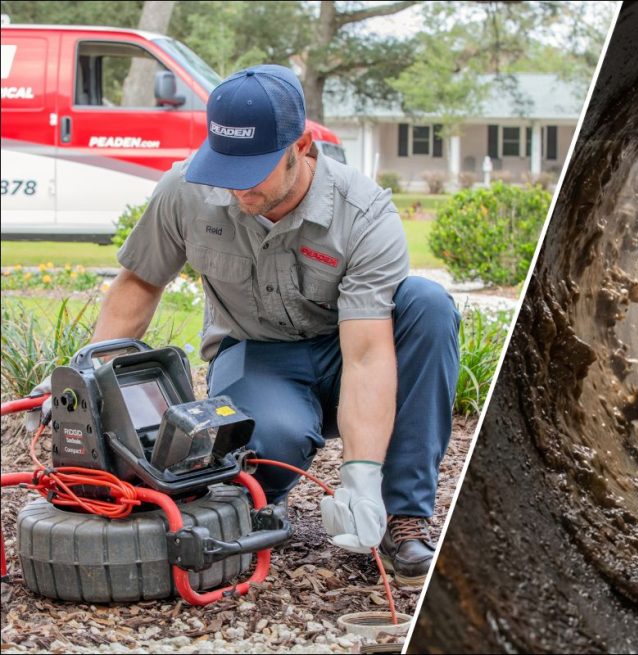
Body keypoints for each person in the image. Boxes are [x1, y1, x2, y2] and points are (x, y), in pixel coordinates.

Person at [25, 64, 460, 587]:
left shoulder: (361, 213)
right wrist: (82, 380)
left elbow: (367, 354)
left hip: (351, 356)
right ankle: (262, 476)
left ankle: (402, 517)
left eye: (251, 170)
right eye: (224, 166)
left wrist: (361, 475)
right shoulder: (186, 191)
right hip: (258, 354)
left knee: (428, 305)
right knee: (266, 447)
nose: (235, 188)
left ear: (301, 146)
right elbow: (139, 284)